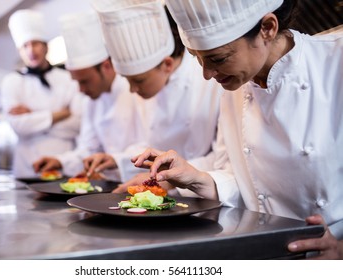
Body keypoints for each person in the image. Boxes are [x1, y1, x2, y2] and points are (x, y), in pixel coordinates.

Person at [132, 0, 343, 259]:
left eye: (218, 58)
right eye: (197, 59)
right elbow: (246, 183)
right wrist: (199, 179)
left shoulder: (336, 62)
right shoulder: (234, 85)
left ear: (267, 28)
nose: (207, 74)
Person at [89, 0, 223, 189]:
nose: (132, 90)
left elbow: (221, 158)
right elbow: (151, 146)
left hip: (206, 191)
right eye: (127, 80)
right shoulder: (148, 90)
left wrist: (172, 179)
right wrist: (117, 160)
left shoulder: (212, 80)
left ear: (167, 65)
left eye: (138, 81)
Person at [32, 10, 144, 181]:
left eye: (84, 81)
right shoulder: (91, 101)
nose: (80, 90)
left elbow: (151, 146)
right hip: (108, 185)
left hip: (142, 182)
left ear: (106, 67)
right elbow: (88, 149)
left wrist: (116, 160)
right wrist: (60, 161)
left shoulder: (137, 90)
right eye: (77, 82)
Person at [0, 9, 84, 178]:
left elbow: (77, 124)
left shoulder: (68, 78)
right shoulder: (11, 81)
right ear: (20, 51)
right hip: (26, 168)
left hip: (64, 165)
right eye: (25, 45)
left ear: (46, 46)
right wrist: (60, 114)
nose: (31, 50)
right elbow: (19, 126)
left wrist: (33, 116)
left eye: (36, 43)